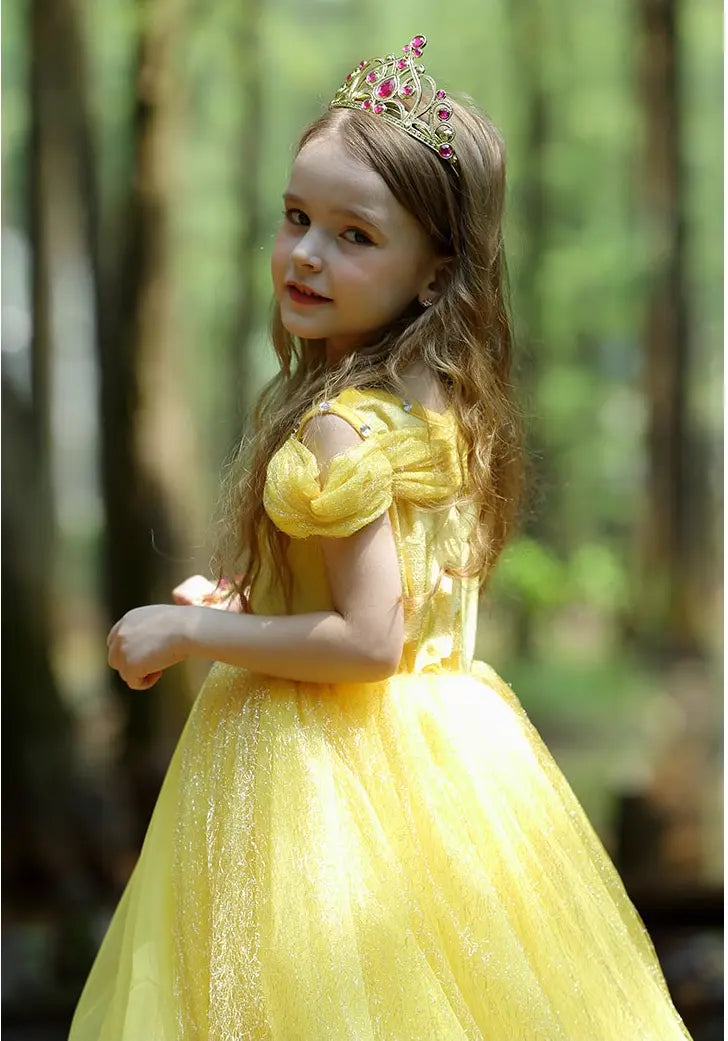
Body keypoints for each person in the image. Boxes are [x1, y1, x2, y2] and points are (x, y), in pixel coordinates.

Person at [69, 34, 693, 1041]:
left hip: (323, 774)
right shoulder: (441, 403)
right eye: (296, 218)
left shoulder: (342, 428)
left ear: (434, 272)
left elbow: (367, 640)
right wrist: (247, 604)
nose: (307, 254)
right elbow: (395, 600)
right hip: (450, 754)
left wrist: (187, 633)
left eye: (354, 235)